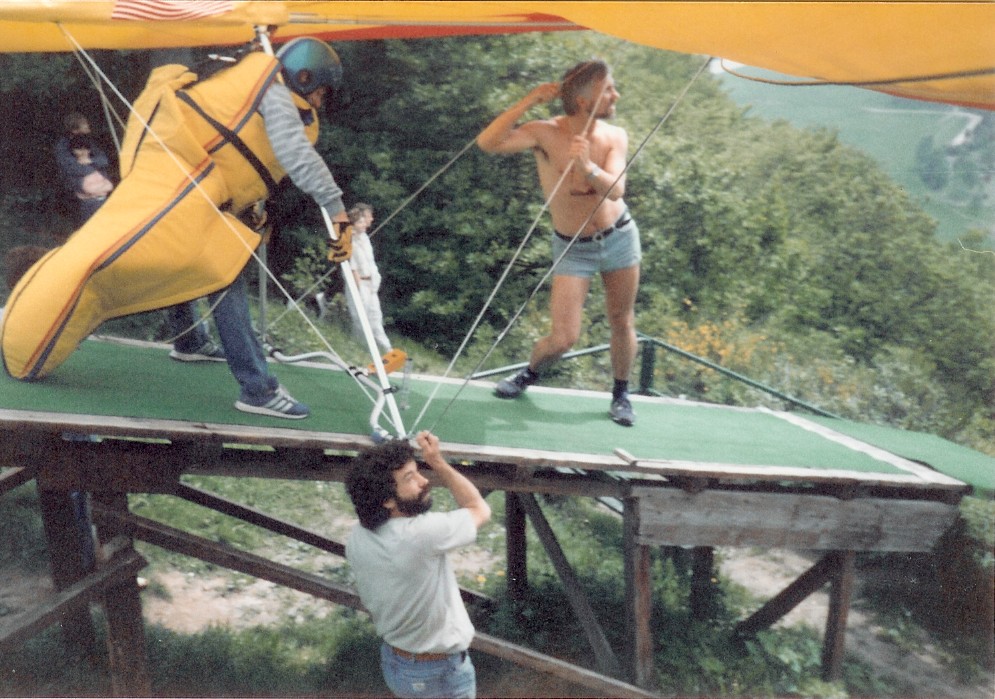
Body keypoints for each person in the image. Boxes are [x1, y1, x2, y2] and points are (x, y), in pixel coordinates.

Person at [2, 37, 352, 420]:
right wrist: (337, 212)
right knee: (224, 271)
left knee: (185, 256)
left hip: (191, 188)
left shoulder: (257, 83)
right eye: (320, 92)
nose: (320, 102)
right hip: (183, 186)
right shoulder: (275, 94)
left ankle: (189, 340)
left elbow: (240, 154)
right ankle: (258, 389)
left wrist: (254, 209)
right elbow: (297, 156)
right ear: (303, 76)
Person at [476, 59, 640, 426]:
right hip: (572, 247)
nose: (616, 95)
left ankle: (621, 394)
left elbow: (617, 191)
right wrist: (529, 101)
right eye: (609, 89)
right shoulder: (545, 132)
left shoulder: (615, 136)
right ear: (583, 101)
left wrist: (587, 168)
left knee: (621, 319)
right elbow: (488, 143)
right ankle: (530, 372)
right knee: (564, 338)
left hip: (619, 236)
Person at [345, 431, 491, 699]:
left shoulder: (358, 536)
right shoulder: (421, 534)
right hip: (439, 673)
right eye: (410, 478)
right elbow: (478, 508)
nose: (425, 481)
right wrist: (437, 462)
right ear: (387, 500)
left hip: (397, 663)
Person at [342, 203, 392, 352]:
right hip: (359, 284)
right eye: (361, 222)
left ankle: (387, 348)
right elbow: (352, 268)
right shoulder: (349, 240)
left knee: (376, 316)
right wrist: (358, 290)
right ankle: (361, 348)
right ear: (354, 223)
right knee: (360, 318)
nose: (365, 224)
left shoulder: (364, 237)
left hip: (371, 283)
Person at [54, 113, 114, 225]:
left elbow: (104, 160)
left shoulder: (89, 142)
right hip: (82, 193)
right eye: (84, 125)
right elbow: (70, 167)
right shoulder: (63, 146)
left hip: (99, 191)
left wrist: (90, 161)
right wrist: (93, 171)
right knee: (90, 223)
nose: (88, 127)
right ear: (74, 130)